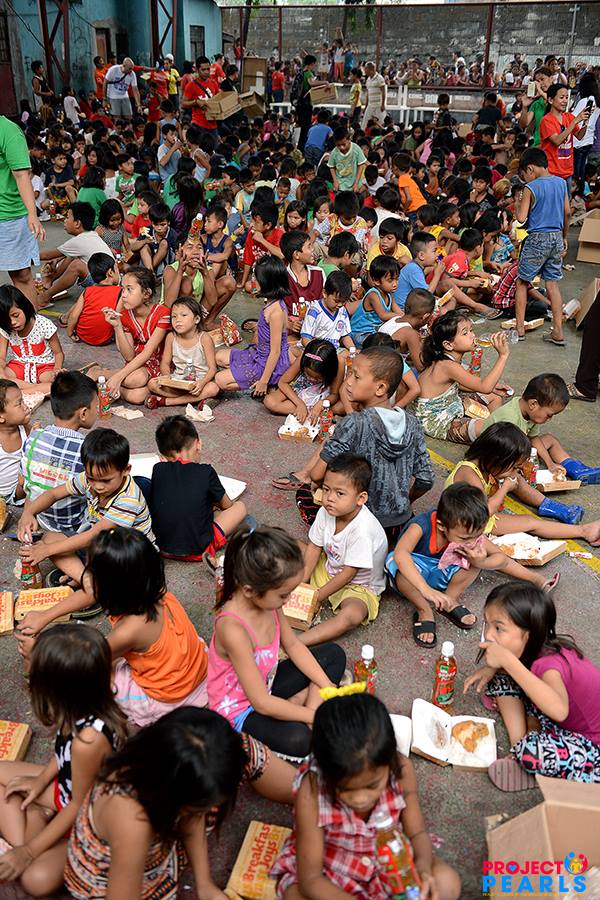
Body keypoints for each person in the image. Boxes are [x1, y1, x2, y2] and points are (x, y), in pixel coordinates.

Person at [271, 693, 461, 899]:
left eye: (372, 785)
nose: (360, 799)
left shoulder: (402, 771)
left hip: (389, 863)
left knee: (447, 882)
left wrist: (422, 870)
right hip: (332, 874)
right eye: (345, 789)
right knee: (294, 895)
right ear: (325, 770)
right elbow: (311, 879)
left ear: (389, 761)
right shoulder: (311, 791)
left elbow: (416, 833)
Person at [65, 708, 259, 897]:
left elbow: (193, 815)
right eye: (199, 807)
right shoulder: (133, 823)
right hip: (108, 881)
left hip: (149, 839)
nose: (209, 810)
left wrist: (204, 884)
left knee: (244, 749)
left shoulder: (166, 761)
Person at [0, 625, 126, 896]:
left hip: (91, 821)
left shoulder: (89, 741)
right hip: (67, 792)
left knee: (35, 880)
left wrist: (28, 851)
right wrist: (40, 781)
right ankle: (37, 818)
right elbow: (63, 756)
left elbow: (80, 806)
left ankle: (32, 828)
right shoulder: (82, 706)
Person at [207, 525, 345, 760]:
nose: (288, 600)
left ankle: (303, 707)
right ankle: (304, 711)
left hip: (266, 684)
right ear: (250, 590)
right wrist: (314, 716)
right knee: (300, 740)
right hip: (241, 710)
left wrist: (328, 688)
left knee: (333, 654)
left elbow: (293, 646)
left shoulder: (269, 601)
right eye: (284, 595)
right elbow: (260, 702)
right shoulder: (233, 630)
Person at [386, 483, 558, 649]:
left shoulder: (469, 532)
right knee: (400, 566)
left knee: (475, 562)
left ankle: (449, 601)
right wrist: (425, 589)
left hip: (441, 574)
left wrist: (481, 562)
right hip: (415, 579)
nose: (472, 541)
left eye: (477, 535)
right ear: (441, 526)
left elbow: (501, 559)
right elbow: (401, 554)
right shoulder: (421, 526)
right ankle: (424, 611)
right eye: (465, 538)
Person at [16, 428, 152, 638]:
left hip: (129, 557)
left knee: (52, 549)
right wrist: (28, 512)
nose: (97, 486)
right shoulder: (90, 480)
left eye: (106, 480)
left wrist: (47, 552)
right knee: (49, 538)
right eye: (91, 478)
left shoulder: (128, 499)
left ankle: (90, 589)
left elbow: (93, 535)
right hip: (101, 544)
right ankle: (86, 578)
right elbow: (53, 494)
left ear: (126, 470)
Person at [465, 584, 600, 791]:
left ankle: (529, 759)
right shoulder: (537, 648)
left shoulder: (550, 666)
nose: (489, 634)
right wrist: (494, 667)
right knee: (501, 678)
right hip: (557, 719)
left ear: (528, 635)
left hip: (592, 744)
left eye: (498, 628)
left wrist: (507, 661)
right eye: (487, 623)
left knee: (532, 753)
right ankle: (520, 744)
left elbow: (559, 711)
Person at [305, 346, 434, 536]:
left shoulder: (355, 423)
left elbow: (316, 475)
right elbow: (426, 479)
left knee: (305, 495)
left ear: (380, 388)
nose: (348, 382)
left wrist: (323, 487)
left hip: (362, 525)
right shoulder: (413, 424)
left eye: (356, 377)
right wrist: (406, 501)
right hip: (399, 524)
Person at [447, 422, 600, 541]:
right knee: (530, 523)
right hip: (466, 525)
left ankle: (583, 530)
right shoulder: (469, 474)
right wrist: (505, 488)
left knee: (529, 521)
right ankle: (584, 531)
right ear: (497, 458)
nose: (515, 472)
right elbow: (483, 513)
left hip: (473, 517)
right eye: (514, 467)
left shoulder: (485, 466)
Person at [300, 453, 387, 647]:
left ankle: (297, 643)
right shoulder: (326, 511)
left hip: (357, 586)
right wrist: (302, 583)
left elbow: (349, 574)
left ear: (361, 498)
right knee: (287, 548)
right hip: (329, 569)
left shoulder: (363, 530)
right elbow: (314, 547)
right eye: (326, 489)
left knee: (352, 615)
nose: (329, 498)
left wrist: (316, 597)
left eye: (340, 493)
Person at [148, 415, 247, 560]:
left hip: (161, 547)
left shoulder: (158, 470)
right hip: (198, 550)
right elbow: (227, 505)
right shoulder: (206, 472)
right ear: (198, 444)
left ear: (163, 455)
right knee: (239, 507)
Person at [414, 310, 508, 443]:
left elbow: (460, 384)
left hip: (450, 403)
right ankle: (496, 438)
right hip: (437, 419)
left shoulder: (448, 359)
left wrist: (492, 388)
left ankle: (497, 434)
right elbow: (485, 387)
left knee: (495, 396)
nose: (472, 335)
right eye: (465, 333)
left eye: (471, 330)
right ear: (448, 345)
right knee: (484, 426)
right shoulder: (447, 365)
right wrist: (503, 356)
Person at [514, 148, 569, 343]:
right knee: (552, 283)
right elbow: (567, 212)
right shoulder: (561, 183)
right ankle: (558, 332)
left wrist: (518, 202)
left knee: (522, 282)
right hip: (556, 236)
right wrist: (564, 236)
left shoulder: (530, 188)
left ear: (530, 168)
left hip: (537, 238)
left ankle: (519, 329)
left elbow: (521, 218)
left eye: (524, 174)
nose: (525, 179)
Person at [216, 256, 289, 397]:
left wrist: (264, 381)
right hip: (259, 354)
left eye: (256, 277)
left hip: (269, 364)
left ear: (267, 282)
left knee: (220, 380)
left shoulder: (276, 312)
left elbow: (275, 352)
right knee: (219, 356)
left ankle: (267, 384)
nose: (253, 280)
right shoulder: (270, 302)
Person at [96, 268, 170, 405]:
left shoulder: (163, 313)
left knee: (137, 394)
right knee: (136, 382)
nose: (124, 295)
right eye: (123, 289)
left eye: (129, 289)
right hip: (136, 366)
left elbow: (148, 352)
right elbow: (129, 356)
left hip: (159, 365)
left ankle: (103, 376)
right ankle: (108, 379)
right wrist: (117, 326)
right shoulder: (125, 316)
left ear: (146, 293)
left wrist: (118, 377)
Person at [0, 115, 45, 305]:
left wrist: (32, 214)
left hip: (10, 216)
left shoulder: (8, 130)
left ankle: (31, 323)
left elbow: (21, 175)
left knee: (22, 275)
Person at [147, 297, 218, 409]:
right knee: (152, 383)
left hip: (199, 382)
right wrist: (167, 377)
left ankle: (167, 401)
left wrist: (202, 383)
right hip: (179, 381)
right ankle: (195, 400)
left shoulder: (204, 338)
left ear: (197, 319)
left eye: (184, 315)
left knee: (213, 388)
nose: (177, 320)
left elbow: (213, 368)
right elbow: (165, 363)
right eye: (174, 316)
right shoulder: (171, 337)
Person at [37, 202, 114, 307]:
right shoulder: (91, 235)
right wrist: (57, 259)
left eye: (67, 217)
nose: (65, 220)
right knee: (71, 257)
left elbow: (46, 255)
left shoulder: (79, 240)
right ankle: (49, 281)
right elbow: (67, 253)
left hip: (105, 284)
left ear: (77, 223)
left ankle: (44, 297)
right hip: (108, 278)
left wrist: (24, 257)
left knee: (76, 265)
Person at [265, 338, 343, 433]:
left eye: (318, 378)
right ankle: (310, 412)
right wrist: (300, 404)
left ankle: (313, 411)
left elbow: (334, 394)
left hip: (324, 395)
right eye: (308, 374)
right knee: (270, 401)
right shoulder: (305, 357)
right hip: (301, 390)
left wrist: (321, 404)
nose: (312, 379)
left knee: (343, 407)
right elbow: (283, 382)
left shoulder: (339, 362)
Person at [0, 286, 63, 396]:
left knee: (59, 382)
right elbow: (1, 357)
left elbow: (58, 353)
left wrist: (57, 369)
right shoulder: (6, 328)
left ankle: (18, 391)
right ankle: (35, 389)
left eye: (15, 315)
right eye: (6, 319)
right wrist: (2, 372)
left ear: (24, 307)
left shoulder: (44, 324)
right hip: (19, 366)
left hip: (44, 368)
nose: (12, 322)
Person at [539, 84, 590, 189]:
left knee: (566, 198)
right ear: (550, 100)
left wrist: (586, 122)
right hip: (552, 172)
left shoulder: (568, 116)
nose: (565, 101)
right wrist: (575, 121)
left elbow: (579, 136)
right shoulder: (546, 120)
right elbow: (557, 141)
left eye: (567, 97)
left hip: (567, 171)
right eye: (561, 97)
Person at [65, 252, 121, 346]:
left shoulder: (87, 291)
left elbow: (74, 316)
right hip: (106, 338)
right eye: (116, 269)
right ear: (110, 273)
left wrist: (70, 333)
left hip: (83, 335)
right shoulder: (120, 291)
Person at [350, 256, 402, 346]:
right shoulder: (373, 295)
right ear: (376, 281)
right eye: (390, 280)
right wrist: (401, 316)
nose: (395, 284)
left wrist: (405, 316)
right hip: (361, 333)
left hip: (374, 332)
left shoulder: (389, 294)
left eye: (397, 279)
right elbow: (383, 315)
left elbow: (398, 311)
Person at [300, 270, 354, 350]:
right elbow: (305, 339)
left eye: (343, 302)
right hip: (314, 349)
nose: (340, 305)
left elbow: (345, 336)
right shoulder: (315, 311)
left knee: (346, 354)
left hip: (333, 350)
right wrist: (317, 352)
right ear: (325, 293)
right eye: (336, 301)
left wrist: (353, 350)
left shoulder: (342, 311)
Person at [0, 379, 31, 510]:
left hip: (20, 490)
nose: (26, 406)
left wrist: (37, 436)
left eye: (23, 400)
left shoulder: (25, 429)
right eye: (19, 403)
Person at [181, 56, 219, 149]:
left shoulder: (214, 83)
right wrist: (196, 102)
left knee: (213, 152)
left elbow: (218, 99)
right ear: (197, 70)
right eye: (203, 70)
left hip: (213, 125)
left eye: (208, 69)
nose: (206, 72)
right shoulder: (191, 85)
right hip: (199, 125)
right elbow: (183, 104)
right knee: (200, 152)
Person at [327, 126, 367, 193]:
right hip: (341, 184)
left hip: (354, 184)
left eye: (343, 144)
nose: (341, 147)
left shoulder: (356, 149)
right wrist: (335, 181)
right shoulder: (334, 152)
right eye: (338, 145)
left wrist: (356, 183)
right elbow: (331, 167)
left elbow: (361, 165)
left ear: (349, 139)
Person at [362, 61, 386, 130]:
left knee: (380, 124)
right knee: (365, 124)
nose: (365, 71)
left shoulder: (380, 78)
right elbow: (368, 94)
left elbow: (383, 92)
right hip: (370, 105)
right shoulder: (368, 79)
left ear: (370, 69)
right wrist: (366, 106)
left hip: (378, 105)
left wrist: (383, 104)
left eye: (366, 69)